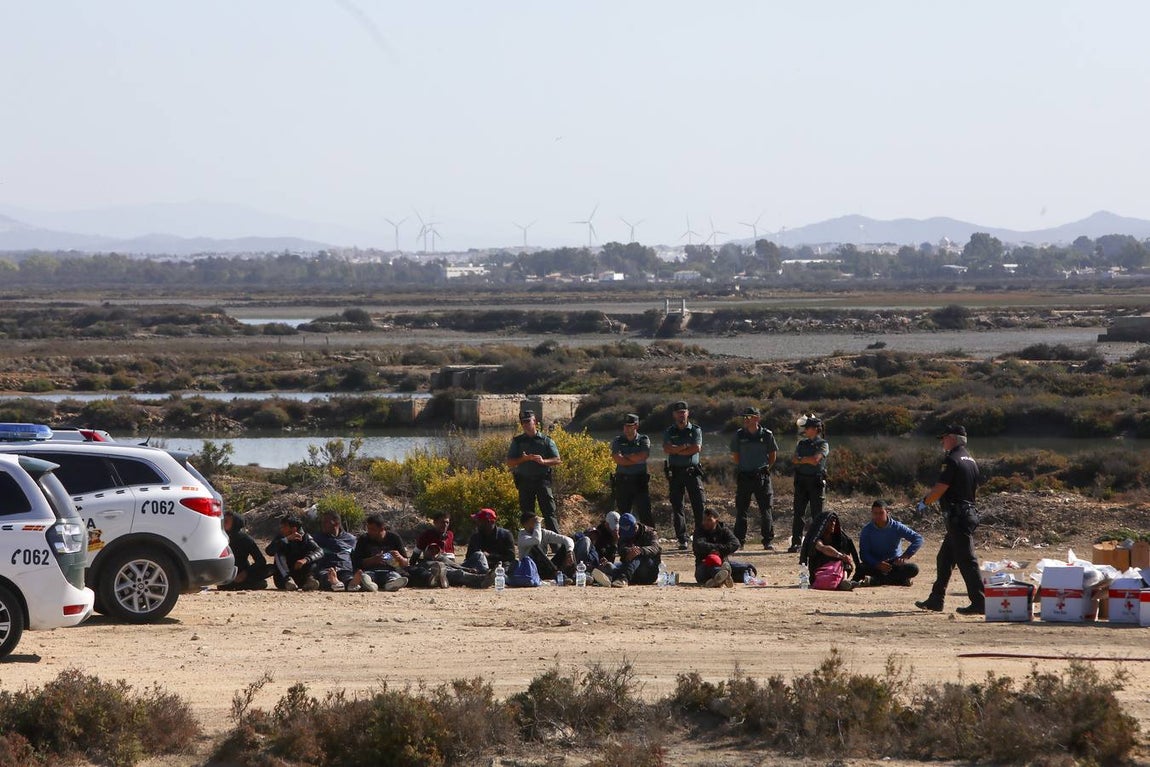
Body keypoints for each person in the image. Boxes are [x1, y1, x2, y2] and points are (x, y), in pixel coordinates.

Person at [914, 424, 984, 615]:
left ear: (952, 438)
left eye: (944, 438)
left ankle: (980, 602)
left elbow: (940, 488)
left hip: (958, 517)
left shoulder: (952, 460)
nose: (942, 441)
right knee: (944, 558)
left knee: (967, 560)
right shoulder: (971, 460)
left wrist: (924, 502)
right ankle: (936, 600)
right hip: (967, 514)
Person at [729, 406, 779, 550]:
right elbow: (736, 456)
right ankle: (739, 541)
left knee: (765, 510)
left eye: (749, 417)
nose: (746, 419)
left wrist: (763, 469)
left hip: (761, 477)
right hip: (745, 476)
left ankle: (767, 540)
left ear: (757, 418)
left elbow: (773, 456)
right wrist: (746, 466)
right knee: (741, 510)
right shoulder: (739, 435)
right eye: (744, 417)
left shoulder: (767, 434)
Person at [506, 410, 563, 534]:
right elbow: (510, 462)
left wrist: (543, 461)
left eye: (528, 421)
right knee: (527, 516)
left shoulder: (546, 440)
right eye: (523, 422)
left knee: (549, 513)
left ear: (535, 422)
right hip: (525, 482)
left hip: (542, 481)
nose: (525, 424)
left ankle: (557, 547)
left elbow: (557, 460)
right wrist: (524, 459)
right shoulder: (518, 441)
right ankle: (532, 547)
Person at [663, 400, 705, 550]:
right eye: (678, 412)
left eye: (683, 412)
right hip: (675, 473)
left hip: (692, 472)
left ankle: (700, 537)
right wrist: (683, 447)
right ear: (674, 415)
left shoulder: (695, 430)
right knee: (677, 506)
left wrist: (677, 450)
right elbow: (667, 448)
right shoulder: (669, 431)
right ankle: (682, 539)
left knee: (699, 505)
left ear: (688, 413)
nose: (681, 415)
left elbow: (696, 448)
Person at [857, 499, 923, 587]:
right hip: (876, 565)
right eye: (875, 513)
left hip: (894, 564)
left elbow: (918, 539)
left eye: (881, 513)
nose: (878, 516)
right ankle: (899, 580)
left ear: (887, 512)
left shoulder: (897, 527)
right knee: (861, 568)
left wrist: (905, 556)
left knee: (913, 569)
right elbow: (864, 554)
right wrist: (877, 564)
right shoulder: (867, 530)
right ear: (872, 513)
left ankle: (874, 581)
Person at [789, 414, 829, 553]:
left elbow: (815, 460)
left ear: (815, 429)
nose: (805, 430)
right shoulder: (802, 443)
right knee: (798, 513)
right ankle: (796, 543)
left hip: (815, 481)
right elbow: (794, 459)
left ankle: (817, 542)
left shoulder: (823, 444)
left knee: (817, 514)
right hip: (801, 480)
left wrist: (802, 459)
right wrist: (805, 459)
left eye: (808, 428)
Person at [591, 513, 661, 587]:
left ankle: (621, 578)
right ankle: (612, 576)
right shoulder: (623, 533)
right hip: (631, 570)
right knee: (611, 566)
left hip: (648, 571)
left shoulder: (650, 533)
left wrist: (640, 550)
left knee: (637, 555)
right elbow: (621, 548)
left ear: (635, 526)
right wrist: (629, 551)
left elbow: (655, 548)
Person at [610, 413, 653, 526]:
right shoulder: (618, 440)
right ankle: (625, 539)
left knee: (645, 512)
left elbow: (643, 456)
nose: (627, 428)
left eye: (630, 426)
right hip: (623, 481)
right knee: (624, 514)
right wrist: (634, 458)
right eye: (625, 426)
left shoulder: (644, 439)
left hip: (640, 481)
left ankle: (649, 538)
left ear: (636, 426)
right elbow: (617, 459)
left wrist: (626, 456)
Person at [350, 513, 411, 592]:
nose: (369, 532)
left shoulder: (394, 538)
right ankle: (370, 585)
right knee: (366, 576)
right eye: (368, 528)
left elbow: (405, 563)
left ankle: (391, 584)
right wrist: (373, 560)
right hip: (371, 570)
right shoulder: (363, 539)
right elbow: (357, 562)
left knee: (394, 575)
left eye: (373, 529)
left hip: (390, 571)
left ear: (382, 528)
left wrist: (400, 557)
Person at [800, 512, 859, 591]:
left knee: (845, 560)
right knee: (842, 558)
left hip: (836, 571)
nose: (833, 523)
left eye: (834, 521)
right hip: (819, 572)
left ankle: (843, 581)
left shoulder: (839, 539)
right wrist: (839, 555)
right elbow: (823, 548)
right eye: (830, 521)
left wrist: (845, 558)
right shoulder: (816, 539)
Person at [265, 513, 323, 591]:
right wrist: (286, 539)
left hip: (301, 574)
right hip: (283, 578)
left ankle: (310, 580)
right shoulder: (281, 538)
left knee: (313, 556)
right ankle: (288, 580)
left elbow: (320, 551)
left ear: (294, 529)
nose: (281, 529)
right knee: (278, 553)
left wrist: (305, 560)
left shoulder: (306, 538)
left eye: (284, 527)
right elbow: (269, 551)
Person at [517, 511, 576, 581]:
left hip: (547, 568)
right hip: (531, 569)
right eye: (533, 521)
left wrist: (569, 552)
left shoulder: (543, 533)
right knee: (534, 547)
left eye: (536, 521)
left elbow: (567, 539)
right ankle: (557, 575)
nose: (536, 524)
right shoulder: (522, 537)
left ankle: (574, 574)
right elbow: (536, 540)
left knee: (566, 547)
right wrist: (537, 523)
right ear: (525, 524)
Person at [218, 510, 268, 591]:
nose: (223, 524)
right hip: (227, 574)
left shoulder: (246, 539)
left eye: (226, 521)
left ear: (235, 523)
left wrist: (245, 572)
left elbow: (261, 560)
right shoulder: (221, 538)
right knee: (223, 586)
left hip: (243, 571)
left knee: (270, 569)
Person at [312, 510, 360, 592]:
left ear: (336, 523)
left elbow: (357, 556)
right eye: (322, 522)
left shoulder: (350, 539)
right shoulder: (317, 538)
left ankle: (351, 583)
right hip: (327, 568)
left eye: (326, 522)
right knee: (325, 576)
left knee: (347, 577)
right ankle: (334, 582)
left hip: (344, 568)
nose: (322, 524)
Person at [692, 508, 740, 587]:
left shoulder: (724, 530)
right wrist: (714, 550)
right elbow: (699, 545)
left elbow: (735, 543)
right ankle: (722, 576)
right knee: (712, 563)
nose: (705, 522)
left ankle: (717, 580)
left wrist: (719, 551)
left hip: (723, 563)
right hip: (704, 565)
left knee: (746, 568)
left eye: (709, 520)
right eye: (704, 520)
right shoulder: (699, 531)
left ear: (716, 521)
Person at [462, 507, 518, 574]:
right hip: (478, 568)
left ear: (489, 522)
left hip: (499, 567)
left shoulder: (505, 535)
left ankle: (489, 576)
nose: (477, 523)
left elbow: (510, 557)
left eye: (479, 521)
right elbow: (469, 557)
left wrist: (490, 556)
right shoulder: (475, 537)